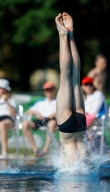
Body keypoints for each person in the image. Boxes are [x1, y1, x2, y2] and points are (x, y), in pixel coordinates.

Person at [55, 12, 88, 164]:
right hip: (68, 130)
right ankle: (64, 35)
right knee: (66, 78)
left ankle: (69, 34)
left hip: (81, 126)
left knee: (74, 78)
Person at [22, 81, 57, 157]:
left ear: (53, 90)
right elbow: (28, 111)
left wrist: (54, 114)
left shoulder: (57, 101)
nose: (49, 92)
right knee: (25, 124)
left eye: (50, 90)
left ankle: (45, 150)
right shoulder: (40, 102)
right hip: (41, 120)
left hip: (52, 120)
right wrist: (36, 112)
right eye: (47, 90)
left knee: (52, 124)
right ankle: (35, 149)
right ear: (44, 91)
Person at [0, 79, 16, 158]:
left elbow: (12, 113)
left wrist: (6, 101)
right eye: (0, 88)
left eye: (3, 88)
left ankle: (4, 152)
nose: (2, 90)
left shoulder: (11, 99)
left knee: (2, 125)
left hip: (8, 119)